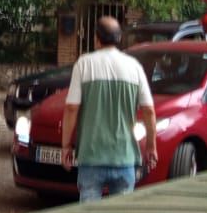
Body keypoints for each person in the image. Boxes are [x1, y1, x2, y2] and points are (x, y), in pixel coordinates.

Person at [61, 15, 157, 201]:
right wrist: (151, 147)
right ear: (119, 38)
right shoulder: (134, 67)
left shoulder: (84, 64)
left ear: (96, 38)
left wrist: (66, 146)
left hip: (91, 156)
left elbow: (71, 108)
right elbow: (149, 111)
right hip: (124, 157)